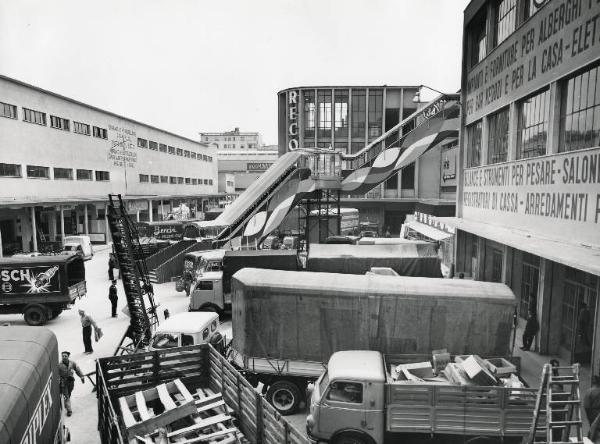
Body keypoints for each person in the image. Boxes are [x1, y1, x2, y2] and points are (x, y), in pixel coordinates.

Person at [58, 351, 85, 416]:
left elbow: (77, 370)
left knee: (69, 394)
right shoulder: (59, 365)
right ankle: (69, 410)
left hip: (71, 382)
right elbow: (57, 374)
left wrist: (82, 376)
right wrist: (59, 381)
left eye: (65, 356)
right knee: (66, 396)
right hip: (63, 383)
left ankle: (66, 405)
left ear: (68, 357)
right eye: (63, 356)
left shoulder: (72, 363)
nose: (64, 357)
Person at [585, 376, 600, 441]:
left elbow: (586, 406)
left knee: (594, 428)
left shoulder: (589, 392)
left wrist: (589, 417)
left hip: (593, 413)